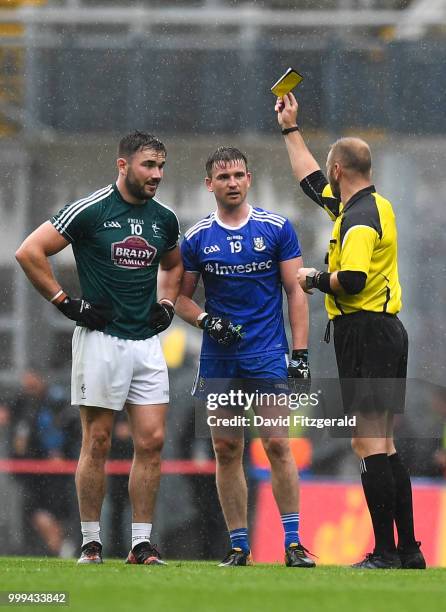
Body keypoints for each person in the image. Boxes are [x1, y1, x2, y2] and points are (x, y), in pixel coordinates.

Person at [15, 131, 183, 565]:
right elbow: (30, 252)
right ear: (123, 165)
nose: (157, 174)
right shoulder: (91, 209)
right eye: (149, 165)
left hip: (146, 343)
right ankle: (91, 543)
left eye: (161, 166)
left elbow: (174, 263)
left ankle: (141, 544)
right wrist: (65, 303)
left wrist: (166, 303)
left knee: (152, 442)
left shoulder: (163, 218)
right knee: (99, 441)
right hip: (100, 341)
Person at [275, 92, 425, 570]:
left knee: (367, 443)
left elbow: (354, 280)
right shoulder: (364, 204)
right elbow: (309, 181)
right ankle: (409, 551)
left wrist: (312, 279)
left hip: (367, 332)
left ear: (339, 168)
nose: (325, 174)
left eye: (328, 167)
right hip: (379, 332)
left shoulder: (357, 219)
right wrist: (289, 129)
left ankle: (385, 552)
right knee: (384, 442)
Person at [176, 146, 315, 567]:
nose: (232, 183)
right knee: (227, 448)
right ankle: (239, 545)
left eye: (238, 175)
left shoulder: (276, 228)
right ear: (209, 184)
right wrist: (206, 322)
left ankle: (292, 543)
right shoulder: (198, 237)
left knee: (277, 444)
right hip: (220, 361)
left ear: (249, 178)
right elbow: (180, 300)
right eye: (223, 177)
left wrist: (301, 354)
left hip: (267, 354)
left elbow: (296, 292)